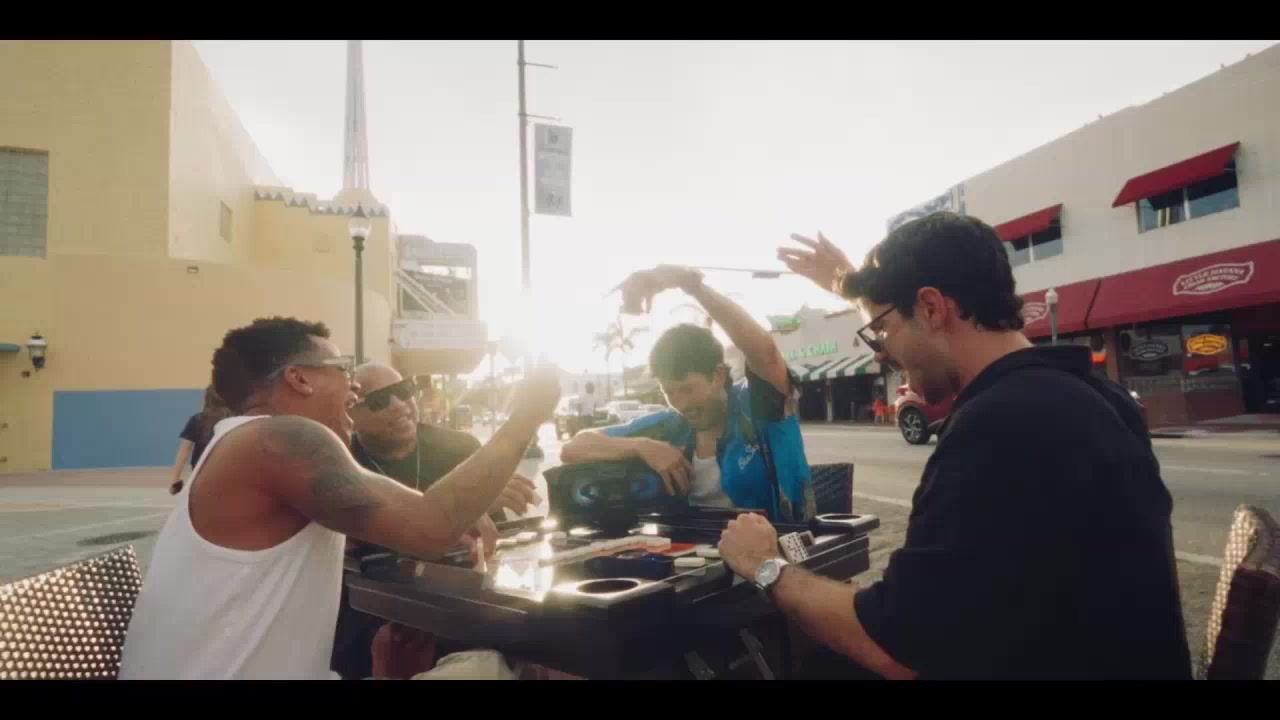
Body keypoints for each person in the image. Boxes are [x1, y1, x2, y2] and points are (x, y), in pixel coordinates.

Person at [712, 215, 1191, 680]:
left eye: (881, 329)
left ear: (931, 308)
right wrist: (855, 289)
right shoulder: (1095, 395)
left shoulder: (998, 426)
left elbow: (897, 647)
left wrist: (766, 567)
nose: (880, 352)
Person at [119, 317, 560, 680]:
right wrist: (528, 413)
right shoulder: (279, 440)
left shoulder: (240, 446)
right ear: (299, 378)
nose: (354, 389)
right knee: (503, 668)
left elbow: (401, 522)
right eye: (344, 370)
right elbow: (430, 527)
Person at [331, 361, 540, 680]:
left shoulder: (461, 448)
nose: (399, 404)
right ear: (352, 413)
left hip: (465, 598)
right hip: (382, 606)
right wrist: (463, 508)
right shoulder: (343, 462)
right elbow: (350, 539)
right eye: (379, 400)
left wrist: (483, 504)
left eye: (404, 390)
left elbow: (492, 544)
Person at [561, 266, 815, 522]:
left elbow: (765, 353)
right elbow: (573, 448)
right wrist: (641, 446)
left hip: (778, 541)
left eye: (687, 388)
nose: (681, 404)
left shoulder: (758, 406)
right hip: (689, 545)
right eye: (669, 392)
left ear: (718, 375)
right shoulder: (669, 426)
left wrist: (692, 286)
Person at [168, 385, 232, 495]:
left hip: (201, 471)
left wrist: (176, 477)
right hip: (227, 470)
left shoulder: (197, 419)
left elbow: (184, 450)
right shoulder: (233, 419)